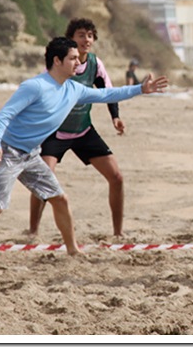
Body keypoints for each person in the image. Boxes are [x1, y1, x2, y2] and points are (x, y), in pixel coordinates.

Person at [0, 37, 168, 258]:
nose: (78, 63)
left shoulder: (73, 89)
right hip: (8, 152)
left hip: (31, 155)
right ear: (57, 61)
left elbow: (106, 94)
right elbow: (5, 115)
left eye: (78, 59)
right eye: (72, 59)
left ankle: (72, 249)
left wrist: (140, 89)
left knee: (60, 199)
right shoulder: (35, 86)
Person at [29, 19, 127, 238]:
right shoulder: (59, 63)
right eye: (81, 35)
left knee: (117, 177)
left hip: (83, 131)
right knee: (42, 178)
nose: (87, 40)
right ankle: (32, 231)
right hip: (56, 132)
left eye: (90, 35)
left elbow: (107, 91)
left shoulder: (94, 64)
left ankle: (118, 233)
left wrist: (115, 117)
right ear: (71, 39)